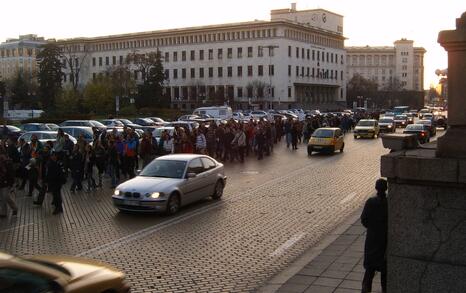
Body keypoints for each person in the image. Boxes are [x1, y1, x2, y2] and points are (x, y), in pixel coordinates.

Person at [361, 178, 388, 293]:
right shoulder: (389, 203)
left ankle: (365, 291)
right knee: (385, 272)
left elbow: (364, 220)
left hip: (372, 240)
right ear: (386, 188)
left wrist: (372, 228)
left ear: (376, 188)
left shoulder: (370, 202)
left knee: (369, 271)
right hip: (385, 240)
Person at [0, 145, 18, 217]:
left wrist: (11, 183)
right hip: (1, 181)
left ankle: (15, 208)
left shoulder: (7, 161)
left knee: (6, 196)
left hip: (6, 181)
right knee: (2, 197)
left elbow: (11, 172)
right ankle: (3, 212)